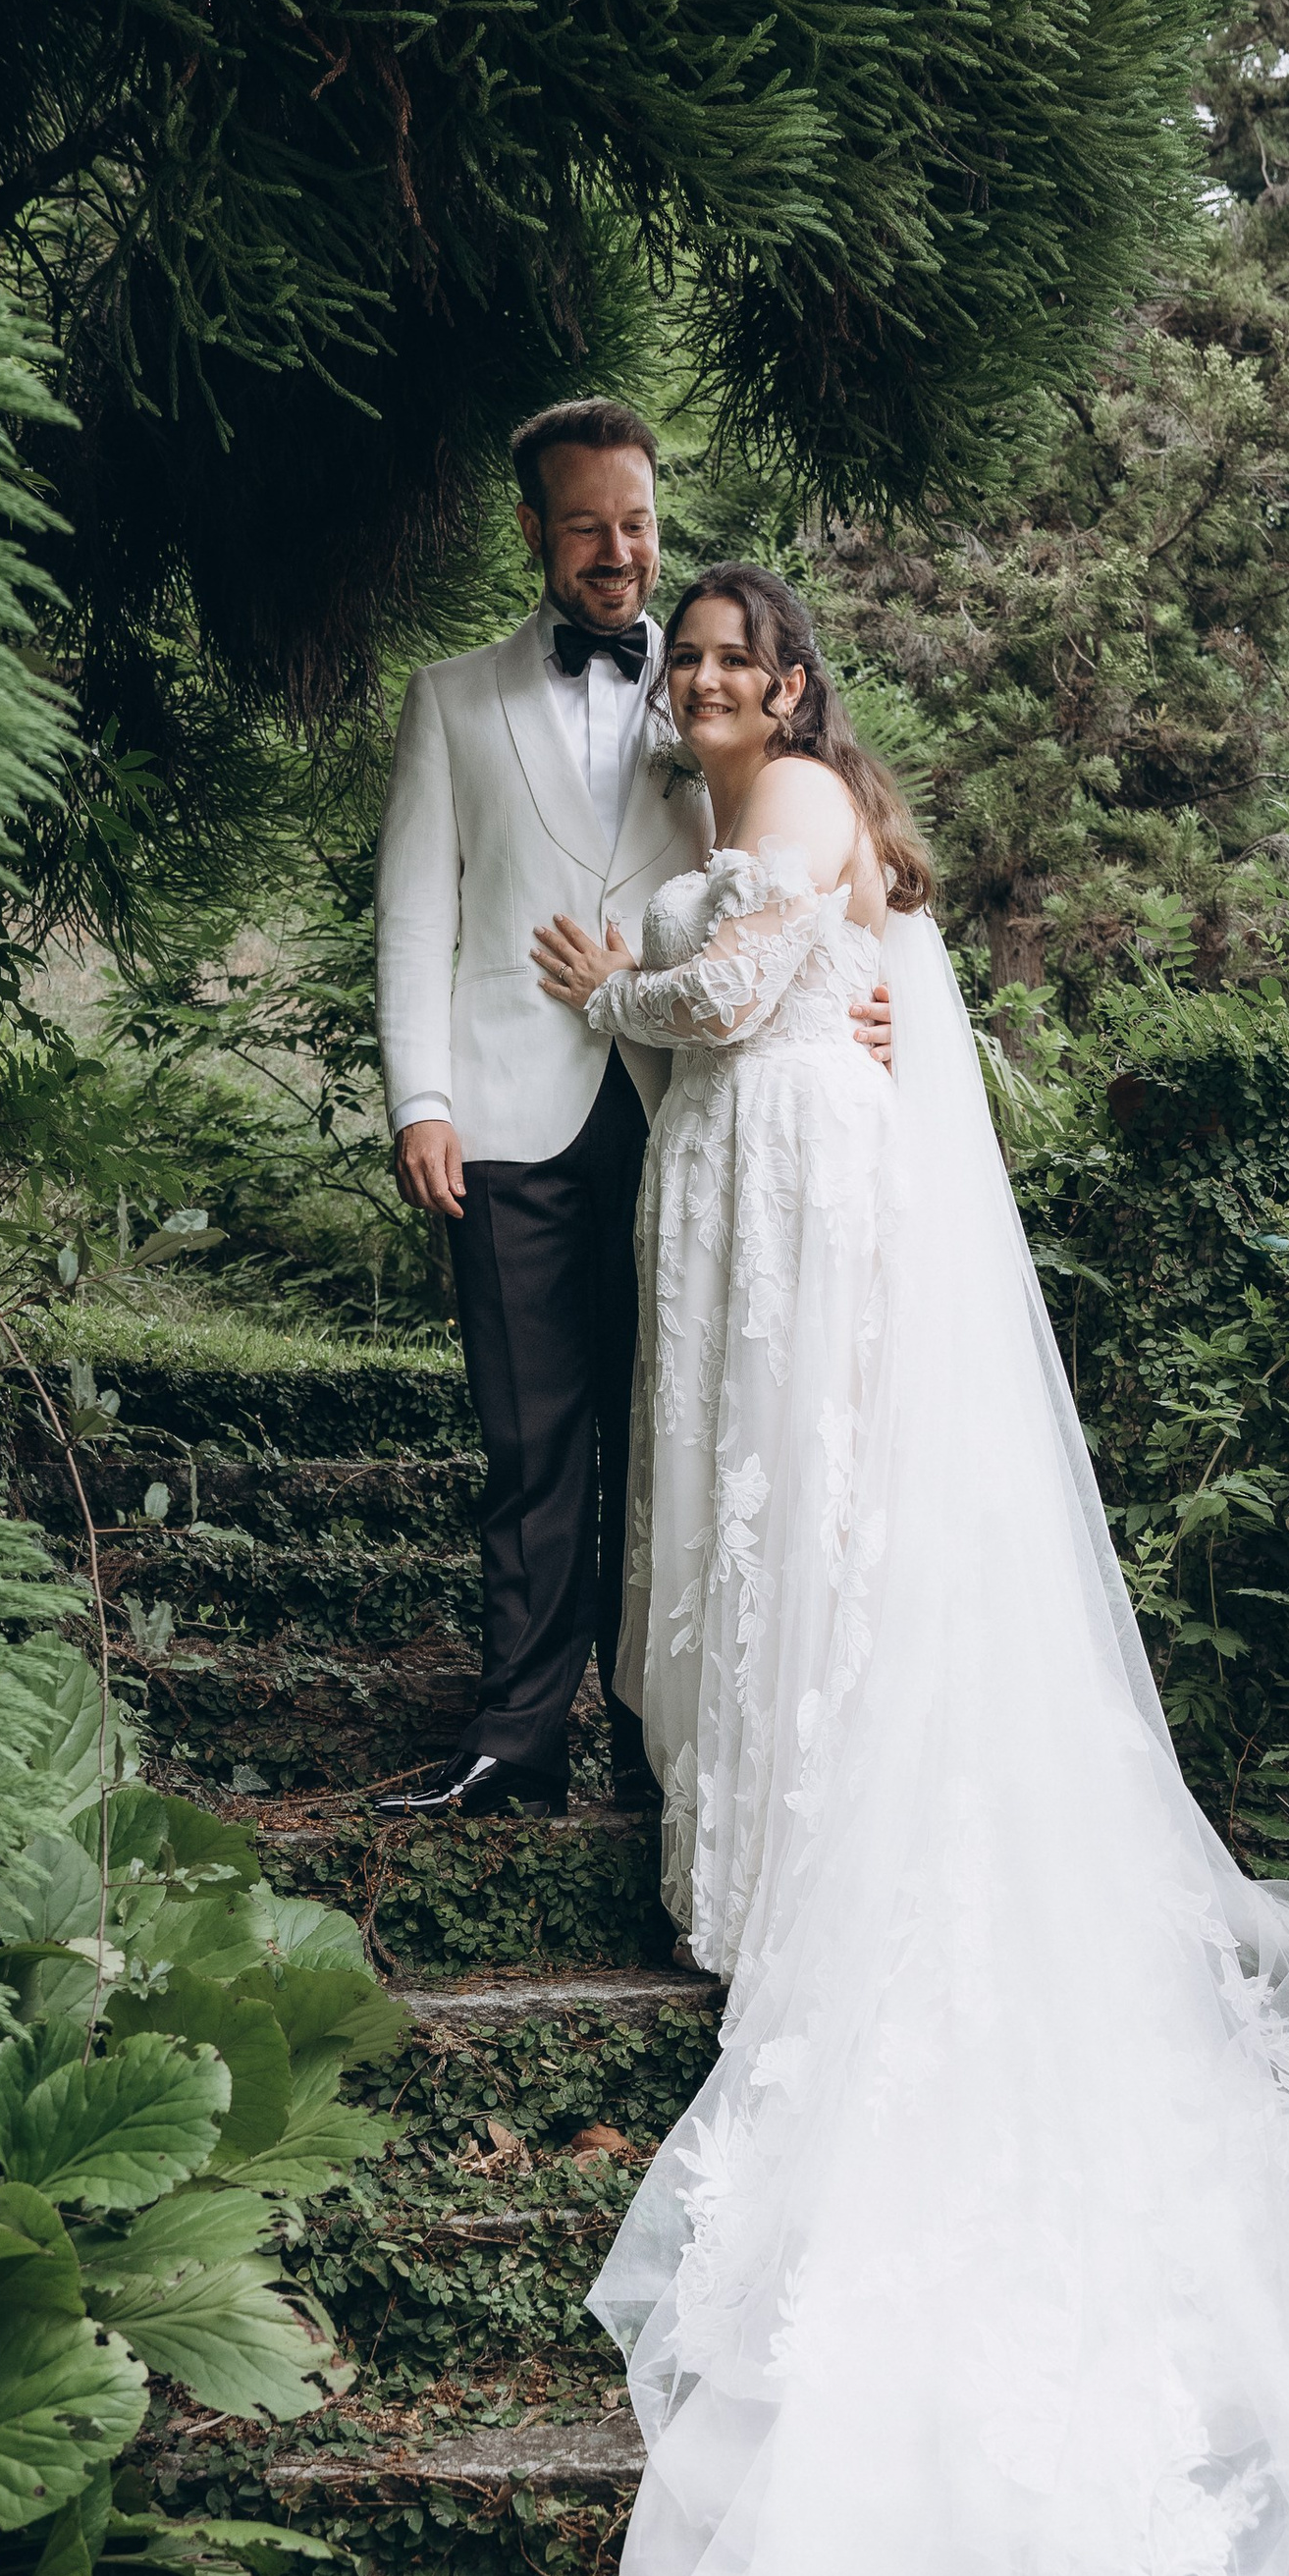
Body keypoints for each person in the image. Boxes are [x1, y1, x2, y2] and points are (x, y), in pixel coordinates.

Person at [530, 567, 1289, 2576]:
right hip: (762, 1183)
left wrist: (612, 986)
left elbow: (753, 993)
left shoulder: (779, 812)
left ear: (784, 684)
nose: (694, 681)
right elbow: (851, 966)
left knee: (800, 1523)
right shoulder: (788, 803)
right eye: (679, 658)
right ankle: (773, 1846)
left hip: (781, 1181)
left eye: (724, 657)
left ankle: (794, 1879)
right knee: (787, 1529)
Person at [371, 401, 888, 1818]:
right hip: (506, 1106)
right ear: (535, 532)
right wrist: (420, 1094)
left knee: (691, 1434)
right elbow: (418, 913)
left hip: (695, 1115)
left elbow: (832, 860)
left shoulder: (722, 680)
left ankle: (669, 1746)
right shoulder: (452, 700)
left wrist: (881, 993)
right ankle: (518, 1737)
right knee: (533, 1436)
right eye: (588, 523)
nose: (620, 551)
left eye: (639, 520)